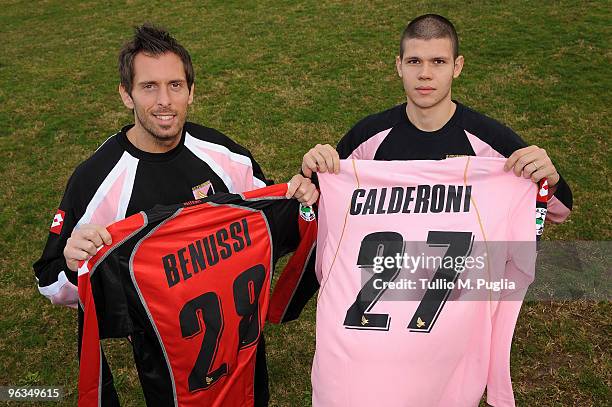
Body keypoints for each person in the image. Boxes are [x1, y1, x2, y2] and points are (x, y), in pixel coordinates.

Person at [33, 23, 317, 406]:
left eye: (175, 85)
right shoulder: (97, 180)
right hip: (167, 370)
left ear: (191, 91)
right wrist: (71, 263)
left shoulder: (224, 155)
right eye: (149, 87)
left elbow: (269, 226)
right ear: (126, 95)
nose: (164, 100)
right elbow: (51, 282)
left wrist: (302, 201)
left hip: (247, 361)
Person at [302, 14, 572, 221]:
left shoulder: (491, 140)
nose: (425, 74)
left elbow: (559, 212)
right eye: (414, 61)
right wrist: (310, 171)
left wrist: (552, 180)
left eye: (438, 62)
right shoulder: (368, 136)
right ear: (399, 66)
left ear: (457, 67)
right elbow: (313, 199)